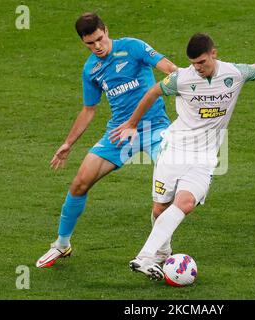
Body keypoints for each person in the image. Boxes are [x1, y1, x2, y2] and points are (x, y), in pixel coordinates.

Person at [109, 33, 255, 280]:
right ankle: (162, 252)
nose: (197, 68)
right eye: (194, 63)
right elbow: (153, 92)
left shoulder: (235, 73)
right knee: (160, 207)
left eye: (202, 62)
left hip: (204, 158)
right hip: (175, 150)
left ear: (214, 54)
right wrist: (132, 123)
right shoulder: (181, 78)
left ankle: (143, 257)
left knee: (185, 203)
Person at [36, 12, 177, 268]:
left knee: (163, 191)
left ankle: (160, 252)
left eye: (100, 39)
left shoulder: (133, 47)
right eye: (90, 43)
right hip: (119, 134)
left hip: (155, 128)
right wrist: (68, 143)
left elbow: (170, 69)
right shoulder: (91, 69)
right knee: (79, 183)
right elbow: (88, 110)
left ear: (106, 30)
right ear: (83, 42)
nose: (97, 47)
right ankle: (61, 244)